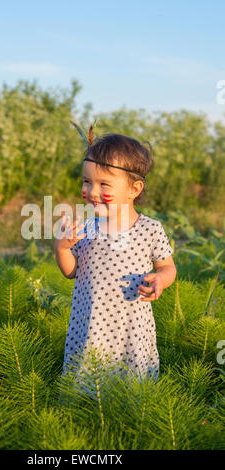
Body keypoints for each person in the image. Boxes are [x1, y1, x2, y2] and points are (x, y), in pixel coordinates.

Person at [55, 133, 177, 397]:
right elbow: (71, 271)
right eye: (87, 182)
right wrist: (62, 248)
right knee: (87, 380)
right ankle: (88, 416)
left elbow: (168, 267)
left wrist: (160, 279)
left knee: (131, 388)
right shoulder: (85, 228)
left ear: (134, 189)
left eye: (104, 184)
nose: (92, 191)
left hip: (130, 326)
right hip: (90, 324)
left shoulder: (149, 229)